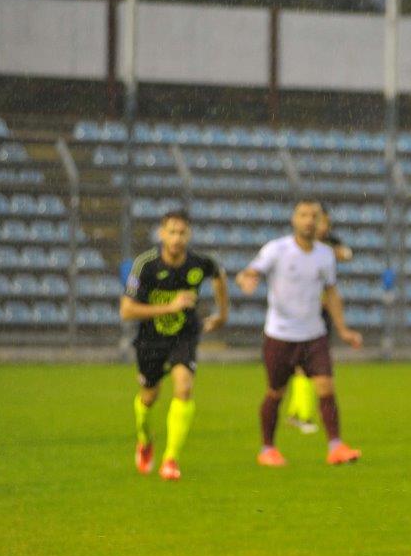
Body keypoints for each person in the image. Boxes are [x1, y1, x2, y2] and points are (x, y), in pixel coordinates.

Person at [236, 199, 363, 467]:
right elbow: (251, 271)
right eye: (303, 215)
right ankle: (267, 448)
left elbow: (331, 292)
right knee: (275, 392)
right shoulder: (277, 249)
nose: (308, 220)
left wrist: (343, 329)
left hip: (314, 334)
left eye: (314, 216)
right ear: (294, 219)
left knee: (326, 387)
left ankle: (336, 446)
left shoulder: (325, 254)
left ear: (320, 222)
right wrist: (247, 279)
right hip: (280, 335)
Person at [121, 209, 228, 481]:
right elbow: (127, 310)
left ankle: (170, 459)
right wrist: (170, 306)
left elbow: (219, 275)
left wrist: (222, 314)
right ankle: (145, 439)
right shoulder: (145, 264)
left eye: (182, 232)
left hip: (184, 334)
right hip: (151, 339)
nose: (177, 238)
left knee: (184, 387)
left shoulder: (199, 263)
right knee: (149, 396)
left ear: (189, 235)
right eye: (172, 232)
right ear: (162, 234)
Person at [286, 202, 354, 434]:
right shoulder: (300, 245)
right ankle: (302, 415)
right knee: (304, 366)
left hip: (321, 312)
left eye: (324, 221)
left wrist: (337, 253)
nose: (322, 226)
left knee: (306, 366)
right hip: (303, 311)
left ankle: (297, 412)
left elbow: (347, 253)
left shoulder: (327, 245)